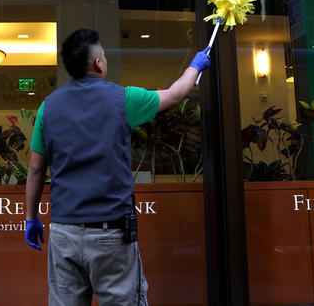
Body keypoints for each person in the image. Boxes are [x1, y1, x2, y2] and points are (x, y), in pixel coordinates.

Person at [24, 28, 211, 306]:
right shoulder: (123, 99)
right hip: (111, 233)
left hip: (64, 233)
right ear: (99, 63)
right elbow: (174, 95)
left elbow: (36, 169)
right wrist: (196, 66)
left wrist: (31, 218)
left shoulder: (47, 107)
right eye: (104, 55)